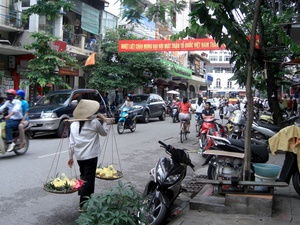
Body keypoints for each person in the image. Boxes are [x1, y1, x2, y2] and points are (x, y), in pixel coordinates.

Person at [67, 99, 113, 211]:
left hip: (79, 157)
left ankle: (82, 194)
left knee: (83, 176)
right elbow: (104, 133)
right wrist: (104, 121)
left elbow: (71, 143)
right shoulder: (94, 123)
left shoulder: (73, 125)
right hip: (91, 157)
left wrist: (70, 157)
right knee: (89, 179)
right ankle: (83, 204)